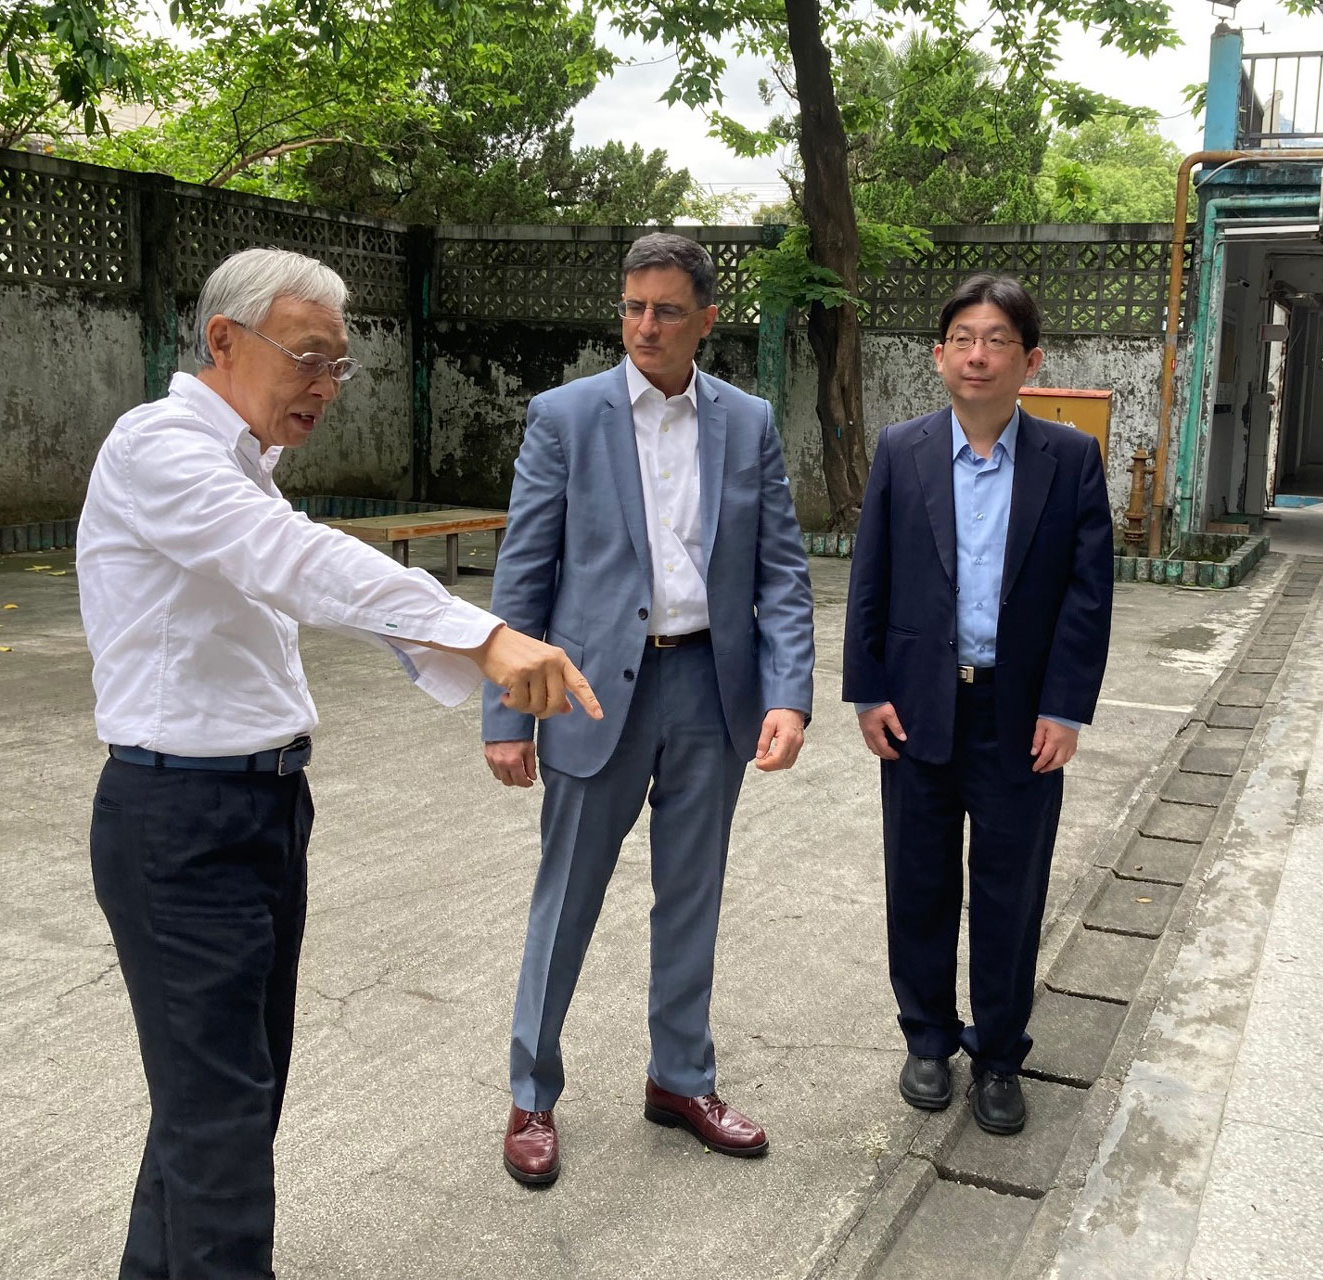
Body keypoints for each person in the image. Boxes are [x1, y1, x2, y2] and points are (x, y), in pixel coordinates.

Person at [79, 247, 598, 1280]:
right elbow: (299, 564)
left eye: (339, 365)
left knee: (220, 1101)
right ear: (223, 340)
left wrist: (455, 642)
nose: (325, 384)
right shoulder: (161, 447)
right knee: (221, 1121)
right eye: (307, 357)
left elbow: (309, 576)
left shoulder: (241, 469)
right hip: (180, 822)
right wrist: (484, 634)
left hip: (261, 808)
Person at [482, 231, 815, 1186]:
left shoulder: (747, 424)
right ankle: (531, 1095)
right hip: (590, 695)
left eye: (667, 310)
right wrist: (509, 715)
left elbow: (782, 573)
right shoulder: (566, 417)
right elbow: (524, 574)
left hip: (713, 691)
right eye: (632, 307)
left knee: (692, 899)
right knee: (567, 898)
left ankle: (680, 1078)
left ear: (707, 319)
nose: (645, 327)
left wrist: (788, 694)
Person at [842, 273, 1113, 1136]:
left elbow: (1087, 594)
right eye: (962, 337)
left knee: (1010, 889)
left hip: (1020, 715)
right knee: (918, 881)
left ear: (1029, 360)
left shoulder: (1069, 462)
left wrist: (1066, 708)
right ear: (938, 354)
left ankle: (999, 1053)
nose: (977, 354)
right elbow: (871, 580)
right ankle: (927, 1038)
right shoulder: (903, 451)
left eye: (997, 339)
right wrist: (868, 690)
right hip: (921, 708)